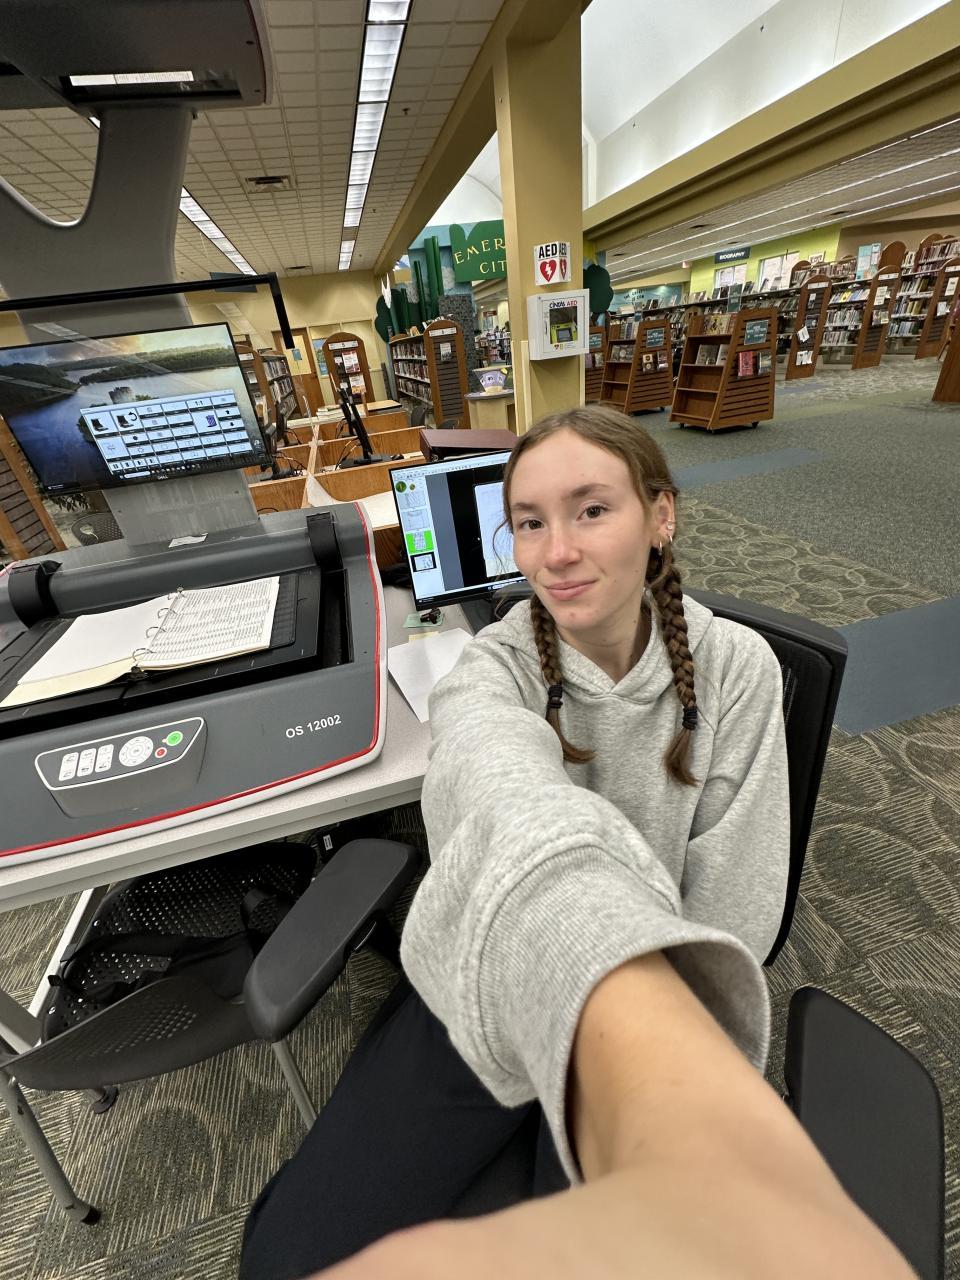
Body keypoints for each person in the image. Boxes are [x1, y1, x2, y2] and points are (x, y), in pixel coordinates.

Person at [240, 405, 910, 1278]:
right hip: (499, 975)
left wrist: (631, 1020)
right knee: (288, 1256)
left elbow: (733, 904)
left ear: (660, 516)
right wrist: (569, 953)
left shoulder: (738, 669)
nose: (556, 552)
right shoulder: (494, 666)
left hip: (649, 1002)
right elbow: (497, 788)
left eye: (592, 509)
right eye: (530, 522)